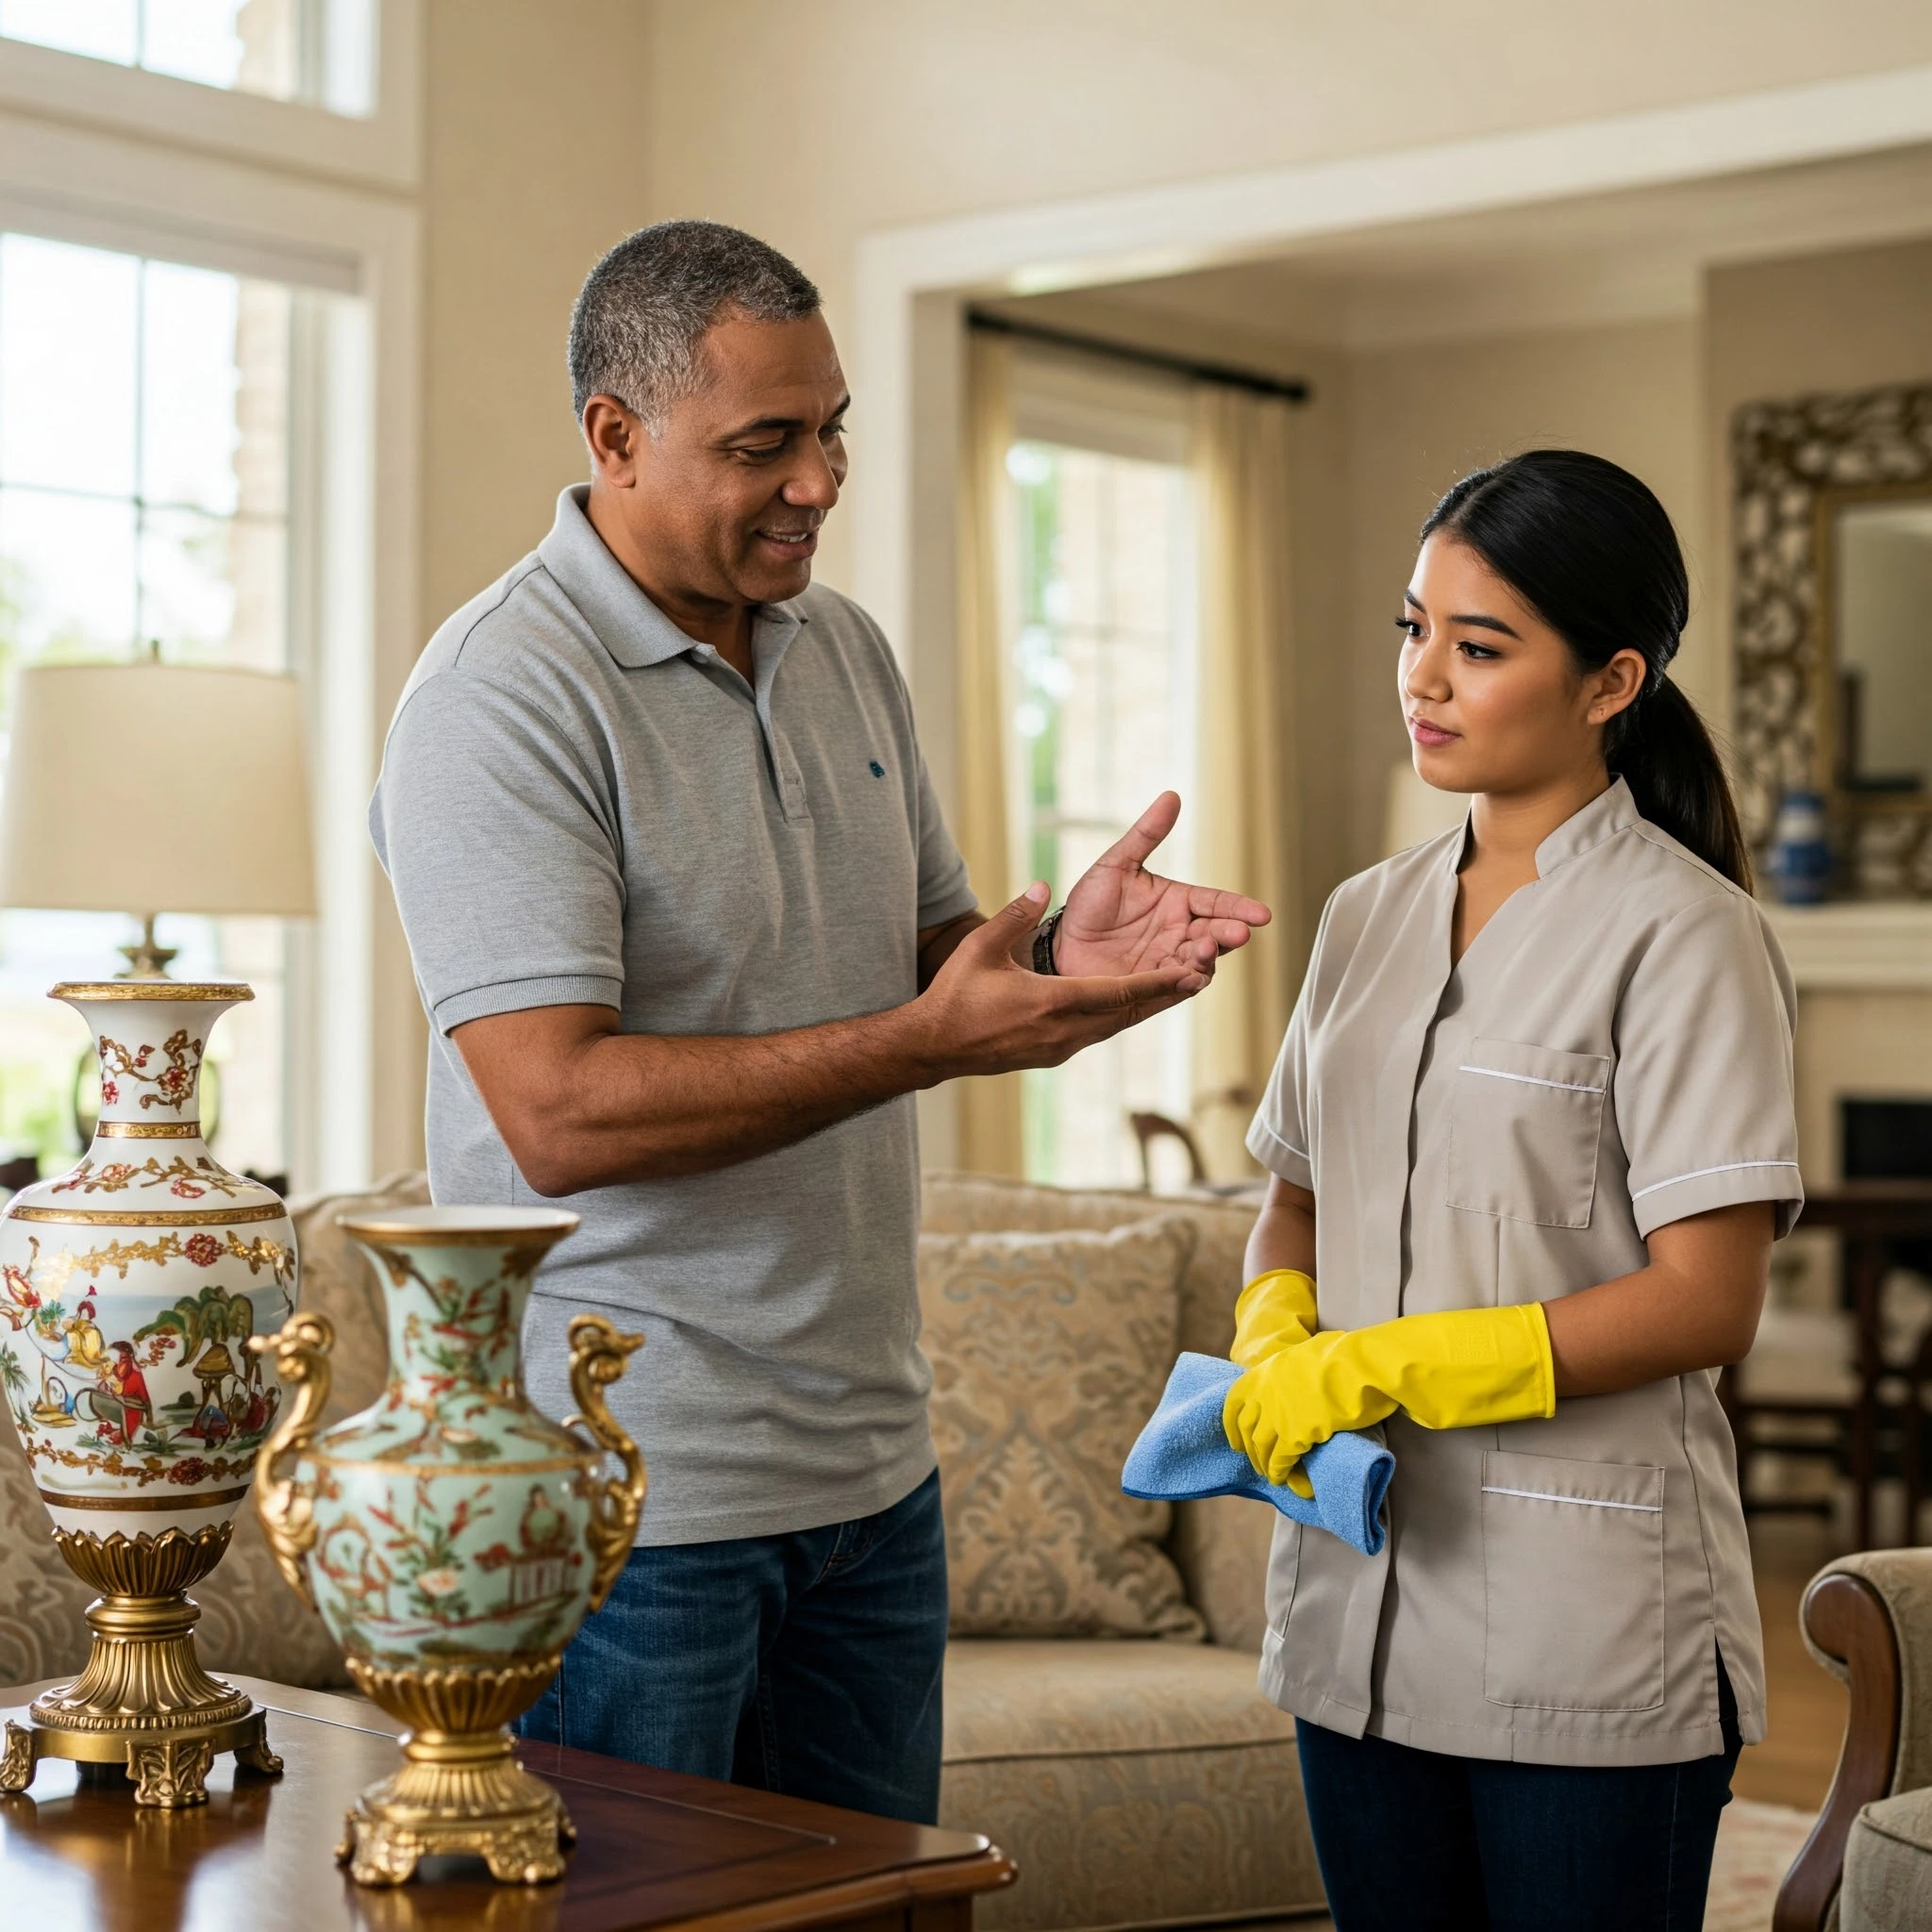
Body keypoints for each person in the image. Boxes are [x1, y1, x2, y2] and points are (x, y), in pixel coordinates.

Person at [370, 220, 1268, 1824]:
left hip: (871, 1471)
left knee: (881, 1912)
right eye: (764, 444)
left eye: (831, 430)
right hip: (626, 1499)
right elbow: (555, 1112)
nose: (818, 481)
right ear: (615, 436)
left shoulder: (842, 646)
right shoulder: (497, 696)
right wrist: (929, 1042)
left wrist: (1051, 955)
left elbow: (923, 962)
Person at [1224, 449, 1797, 1931]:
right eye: (1414, 629)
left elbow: (1708, 1302)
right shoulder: (1362, 918)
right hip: (1354, 1614)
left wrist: (1394, 1364)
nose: (1424, 677)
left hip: (1585, 1633)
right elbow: (1294, 1193)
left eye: (1479, 648)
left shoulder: (1688, 936)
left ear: (1612, 683)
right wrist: (1275, 1329)